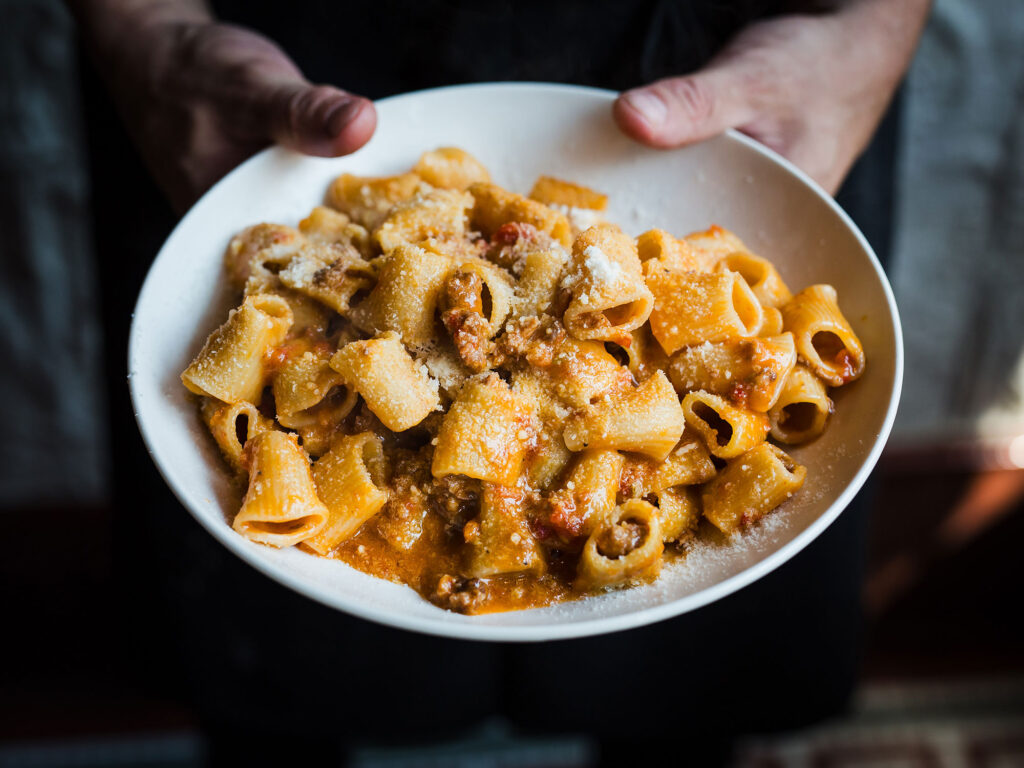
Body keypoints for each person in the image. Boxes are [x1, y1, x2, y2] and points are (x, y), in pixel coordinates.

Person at [67, 0, 930, 764]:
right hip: (279, 60)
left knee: (689, 694)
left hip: (720, 42)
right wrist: (139, 22)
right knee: (269, 679)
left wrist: (879, 20)